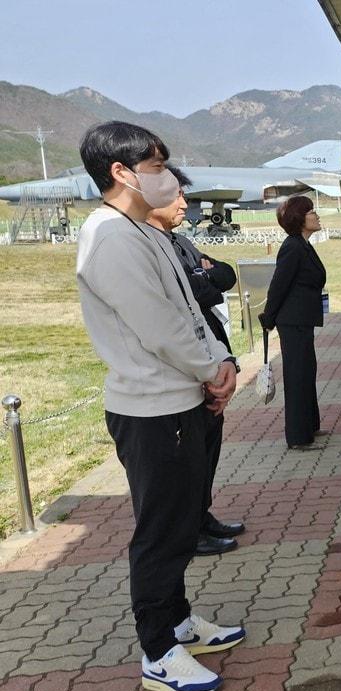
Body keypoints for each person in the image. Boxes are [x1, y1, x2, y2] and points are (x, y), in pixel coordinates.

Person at [75, 121, 245, 691]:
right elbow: (159, 327)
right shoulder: (110, 237)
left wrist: (220, 362)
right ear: (120, 172)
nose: (167, 176)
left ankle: (178, 622)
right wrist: (210, 370)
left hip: (183, 398)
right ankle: (158, 651)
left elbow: (192, 311)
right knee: (162, 533)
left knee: (180, 520)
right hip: (152, 410)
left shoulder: (142, 230)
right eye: (155, 166)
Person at [144, 166, 244, 557]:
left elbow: (225, 275)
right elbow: (181, 301)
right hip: (187, 371)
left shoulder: (181, 242)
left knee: (208, 452)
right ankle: (189, 530)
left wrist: (203, 277)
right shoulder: (148, 247)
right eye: (175, 197)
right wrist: (201, 282)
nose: (184, 204)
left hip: (212, 356)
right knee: (187, 462)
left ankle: (202, 516)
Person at [260, 196, 328, 450]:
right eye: (311, 211)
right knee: (297, 374)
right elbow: (279, 285)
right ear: (300, 218)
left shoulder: (303, 245)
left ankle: (310, 424)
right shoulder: (292, 247)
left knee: (307, 370)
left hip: (302, 320)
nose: (316, 215)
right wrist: (268, 317)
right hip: (292, 321)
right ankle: (298, 437)